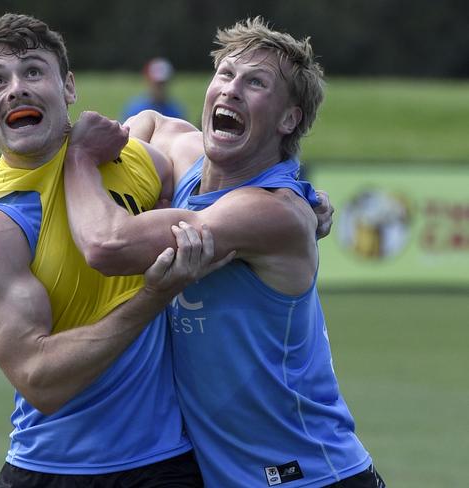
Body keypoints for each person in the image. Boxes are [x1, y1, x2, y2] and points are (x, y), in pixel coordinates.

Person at [63, 17, 384, 488]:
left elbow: (106, 245)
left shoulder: (269, 211)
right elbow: (152, 123)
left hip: (309, 475)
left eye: (255, 83)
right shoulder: (194, 165)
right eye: (226, 74)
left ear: (288, 119)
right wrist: (143, 171)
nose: (231, 90)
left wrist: (79, 159)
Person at [0, 13, 231, 487]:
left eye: (33, 71)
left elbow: (183, 152)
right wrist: (154, 295)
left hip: (169, 463)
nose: (16, 89)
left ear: (69, 87)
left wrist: (289, 193)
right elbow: (42, 381)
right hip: (53, 469)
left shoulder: (126, 158)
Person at [122, 57, 186, 121]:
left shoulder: (176, 110)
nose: (160, 87)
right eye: (157, 83)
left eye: (163, 83)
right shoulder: (135, 110)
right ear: (148, 80)